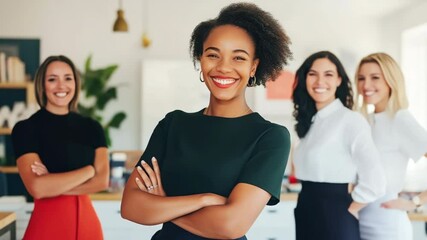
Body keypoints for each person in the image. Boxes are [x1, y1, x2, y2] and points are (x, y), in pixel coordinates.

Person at [120, 3, 292, 240]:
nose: (223, 67)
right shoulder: (173, 125)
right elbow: (131, 206)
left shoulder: (270, 137)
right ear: (201, 59)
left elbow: (231, 225)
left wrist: (164, 206)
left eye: (239, 58)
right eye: (213, 55)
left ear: (254, 66)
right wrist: (202, 200)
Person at [11, 55, 109, 240]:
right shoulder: (26, 129)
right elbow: (38, 188)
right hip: (47, 226)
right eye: (52, 79)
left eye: (68, 78)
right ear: (42, 85)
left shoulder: (92, 127)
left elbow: (102, 181)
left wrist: (53, 183)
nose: (61, 86)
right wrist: (88, 171)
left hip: (87, 226)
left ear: (75, 84)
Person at [292, 51, 386, 240]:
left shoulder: (351, 121)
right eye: (313, 74)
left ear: (339, 80)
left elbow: (375, 181)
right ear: (305, 79)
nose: (320, 81)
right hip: (306, 209)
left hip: (335, 215)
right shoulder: (310, 122)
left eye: (328, 74)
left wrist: (349, 209)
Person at [355, 52, 427, 240]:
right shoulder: (366, 121)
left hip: (387, 225)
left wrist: (415, 202)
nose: (366, 85)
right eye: (361, 78)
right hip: (359, 219)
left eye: (375, 78)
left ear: (391, 81)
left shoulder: (400, 119)